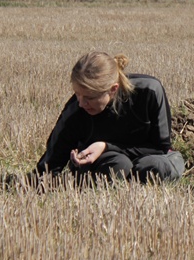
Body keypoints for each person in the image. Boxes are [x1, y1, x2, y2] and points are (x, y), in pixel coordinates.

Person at [34, 51, 185, 183]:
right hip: (108, 163)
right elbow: (52, 161)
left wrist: (106, 146)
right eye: (77, 94)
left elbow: (161, 148)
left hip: (150, 157)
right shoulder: (76, 109)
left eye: (89, 97)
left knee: (154, 166)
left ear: (113, 89)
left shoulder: (149, 91)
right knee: (119, 166)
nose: (81, 103)